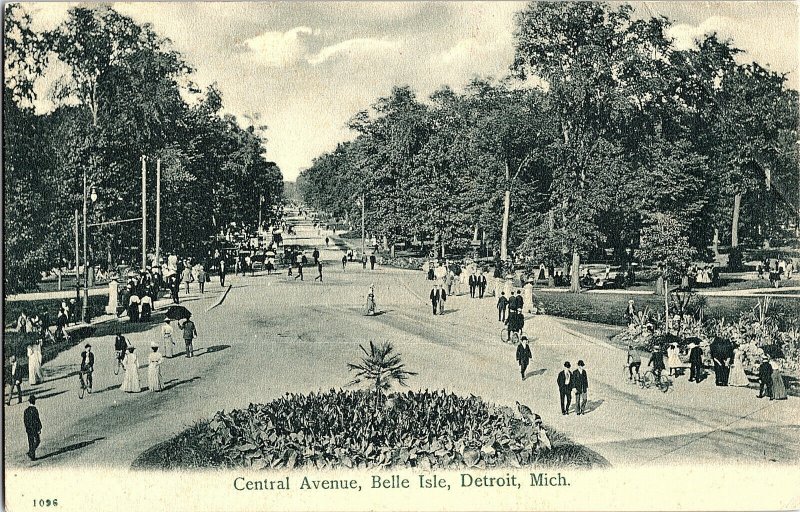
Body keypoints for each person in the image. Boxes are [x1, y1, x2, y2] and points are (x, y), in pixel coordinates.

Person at [24, 395, 42, 460]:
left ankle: (32, 455)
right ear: (34, 401)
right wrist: (39, 428)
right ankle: (31, 453)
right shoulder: (35, 410)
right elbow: (37, 419)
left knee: (30, 441)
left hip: (29, 428)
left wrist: (27, 428)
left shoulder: (26, 410)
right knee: (37, 441)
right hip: (34, 428)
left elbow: (25, 421)